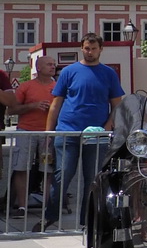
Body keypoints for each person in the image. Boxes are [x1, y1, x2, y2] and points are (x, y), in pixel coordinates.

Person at [45, 35, 122, 227]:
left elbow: (117, 105)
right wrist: (49, 133)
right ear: (82, 48)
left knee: (93, 179)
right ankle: (50, 217)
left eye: (93, 48)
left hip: (96, 135)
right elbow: (56, 104)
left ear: (100, 49)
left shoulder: (109, 73)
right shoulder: (69, 72)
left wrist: (106, 128)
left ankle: (87, 221)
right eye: (86, 48)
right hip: (67, 131)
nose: (89, 52)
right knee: (63, 175)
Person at [10, 58, 56, 218]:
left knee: (48, 170)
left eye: (54, 64)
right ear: (39, 67)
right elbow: (12, 110)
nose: (53, 67)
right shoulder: (26, 86)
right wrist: (33, 106)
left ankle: (47, 205)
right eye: (49, 64)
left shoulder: (57, 87)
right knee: (21, 167)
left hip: (48, 133)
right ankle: (22, 206)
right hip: (26, 131)